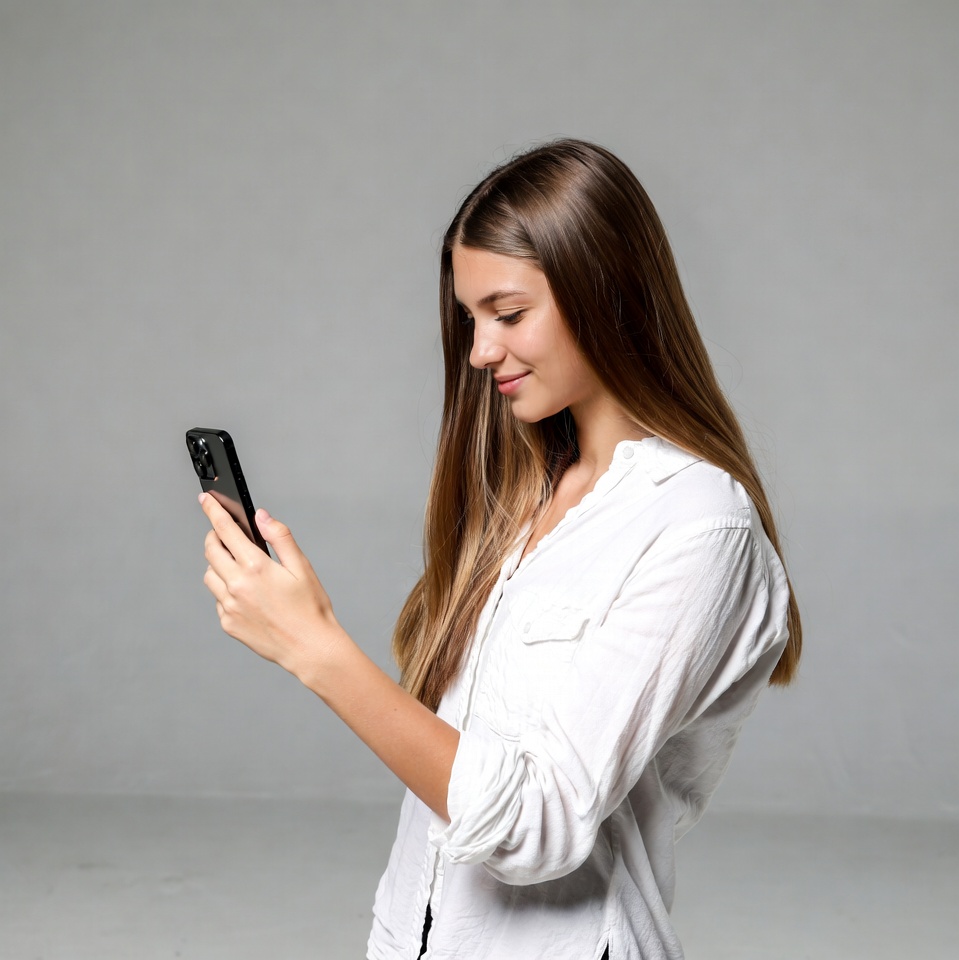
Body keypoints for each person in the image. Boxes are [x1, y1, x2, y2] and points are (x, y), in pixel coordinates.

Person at [198, 138, 801, 960]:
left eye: (508, 315)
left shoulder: (698, 525)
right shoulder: (521, 498)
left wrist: (317, 650)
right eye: (470, 318)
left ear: (607, 292)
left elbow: (537, 825)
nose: (480, 352)